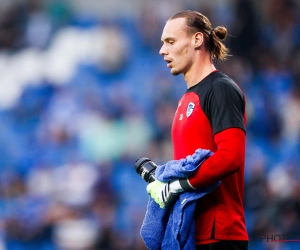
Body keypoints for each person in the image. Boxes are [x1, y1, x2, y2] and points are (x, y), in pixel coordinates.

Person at [146, 10, 249, 250]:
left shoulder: (221, 89)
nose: (163, 50)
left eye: (170, 41)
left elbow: (230, 157)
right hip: (191, 232)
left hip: (219, 234)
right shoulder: (185, 98)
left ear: (197, 40)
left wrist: (176, 186)